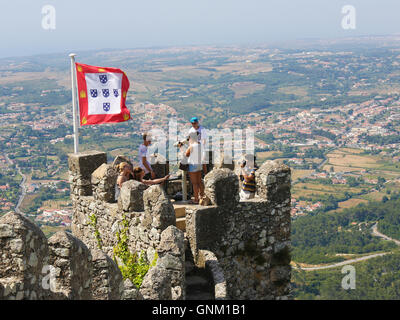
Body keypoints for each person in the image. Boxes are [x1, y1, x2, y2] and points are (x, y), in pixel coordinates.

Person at [185, 131, 205, 204]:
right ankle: (202, 197)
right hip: (199, 164)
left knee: (194, 183)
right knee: (199, 181)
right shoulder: (200, 145)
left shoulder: (192, 146)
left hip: (193, 165)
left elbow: (186, 154)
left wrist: (182, 148)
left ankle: (196, 199)